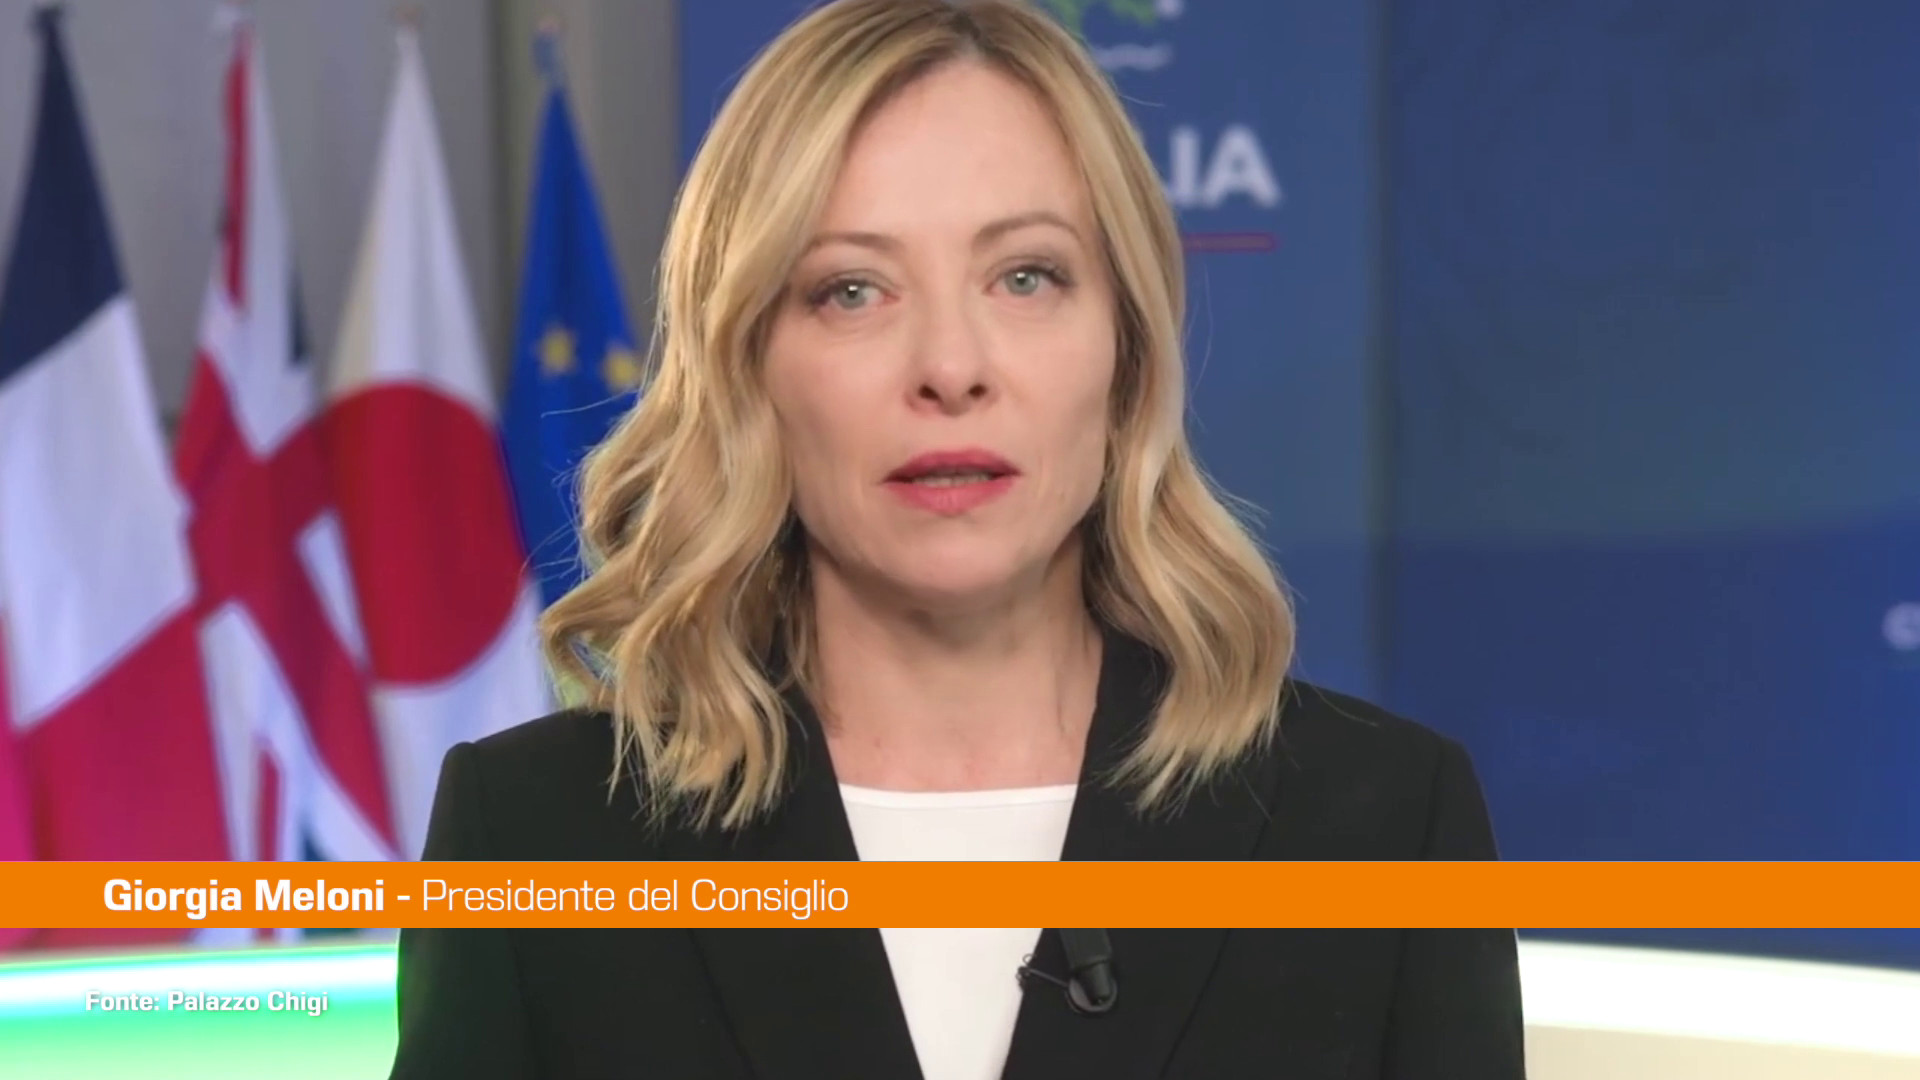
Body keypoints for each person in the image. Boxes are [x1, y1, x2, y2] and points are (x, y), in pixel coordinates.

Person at [387, 1, 1525, 1077]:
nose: (950, 366)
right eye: (851, 290)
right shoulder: (532, 835)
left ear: (1127, 351)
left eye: (1025, 277)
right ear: (748, 368)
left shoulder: (1387, 822)